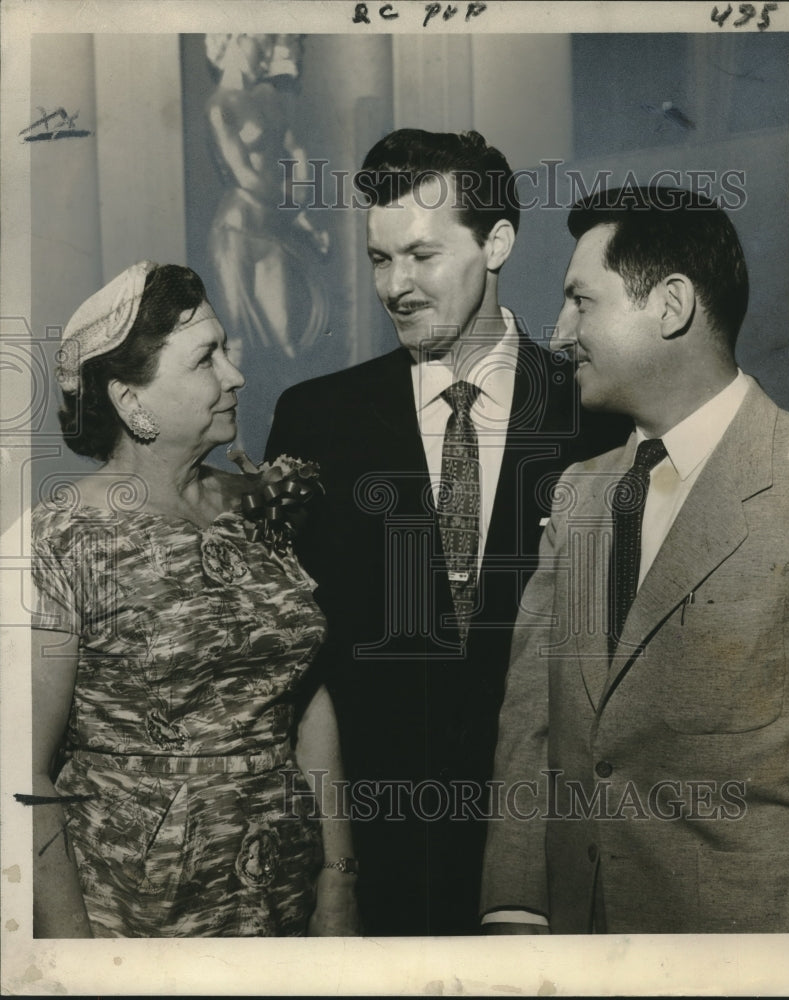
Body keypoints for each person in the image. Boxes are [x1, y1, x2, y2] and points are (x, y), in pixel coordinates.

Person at [265, 129, 629, 935]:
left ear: (496, 242)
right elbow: (298, 667)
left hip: (552, 866)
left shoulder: (596, 419)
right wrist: (335, 877)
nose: (396, 286)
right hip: (368, 868)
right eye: (378, 259)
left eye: (423, 255)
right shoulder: (316, 420)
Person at [481, 186, 789, 934]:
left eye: (581, 302)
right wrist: (514, 906)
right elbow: (532, 728)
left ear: (672, 304)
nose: (559, 334)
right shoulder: (577, 496)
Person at [30, 262, 359, 937]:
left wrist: (338, 878)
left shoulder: (256, 508)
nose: (235, 375)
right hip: (143, 905)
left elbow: (305, 692)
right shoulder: (62, 539)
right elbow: (24, 772)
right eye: (207, 358)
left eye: (227, 351)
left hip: (284, 889)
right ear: (131, 402)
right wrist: (72, 958)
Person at [204, 32, 329, 456]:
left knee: (286, 342)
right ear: (237, 40)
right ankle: (235, 448)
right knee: (237, 343)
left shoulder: (268, 97)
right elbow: (243, 175)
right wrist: (292, 210)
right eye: (261, 41)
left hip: (271, 230)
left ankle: (293, 438)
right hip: (236, 233)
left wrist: (301, 199)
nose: (268, 52)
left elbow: (296, 150)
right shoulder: (219, 104)